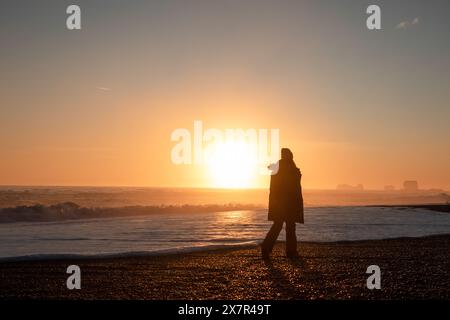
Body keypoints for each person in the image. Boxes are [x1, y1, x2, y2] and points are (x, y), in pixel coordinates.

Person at [261, 148, 304, 258]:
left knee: (279, 225)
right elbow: (294, 186)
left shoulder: (280, 167)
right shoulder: (290, 167)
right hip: (288, 203)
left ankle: (266, 247)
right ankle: (290, 251)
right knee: (289, 226)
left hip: (280, 203)